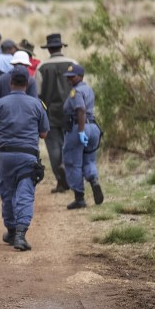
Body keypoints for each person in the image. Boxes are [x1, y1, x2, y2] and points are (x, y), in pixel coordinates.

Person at [0, 66, 49, 251]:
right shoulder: (37, 104)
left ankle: (11, 230)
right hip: (28, 155)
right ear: (28, 83)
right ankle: (21, 235)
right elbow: (44, 134)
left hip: (6, 155)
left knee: (7, 193)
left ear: (10, 82)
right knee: (25, 194)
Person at [35, 33, 77, 193]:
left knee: (53, 147)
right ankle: (67, 168)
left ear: (49, 49)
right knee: (70, 144)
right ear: (61, 46)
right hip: (72, 112)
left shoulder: (42, 68)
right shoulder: (73, 64)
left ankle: (60, 180)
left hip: (49, 113)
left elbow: (37, 94)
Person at [62, 64, 104, 209]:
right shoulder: (88, 89)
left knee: (73, 162)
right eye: (68, 77)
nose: (69, 80)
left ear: (80, 76)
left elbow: (80, 110)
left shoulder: (76, 92)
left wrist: (80, 131)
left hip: (79, 127)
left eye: (72, 77)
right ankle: (93, 180)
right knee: (89, 160)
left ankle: (79, 197)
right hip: (93, 128)